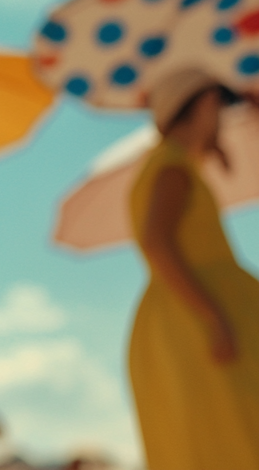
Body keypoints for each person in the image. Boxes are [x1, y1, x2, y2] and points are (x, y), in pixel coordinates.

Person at [128, 68, 259, 468]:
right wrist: (212, 316)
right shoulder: (172, 166)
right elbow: (157, 241)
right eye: (219, 107)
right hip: (200, 319)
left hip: (184, 317)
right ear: (204, 105)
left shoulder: (171, 163)